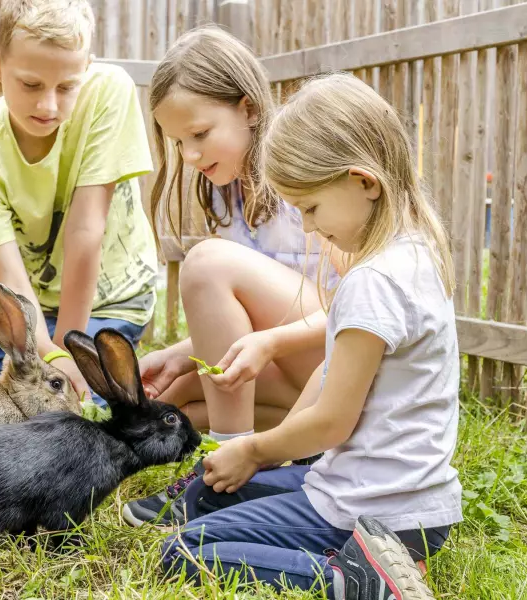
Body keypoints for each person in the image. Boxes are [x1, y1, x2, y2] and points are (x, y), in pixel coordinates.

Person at [160, 72, 462, 600]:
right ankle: (370, 559)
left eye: (311, 208)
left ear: (364, 181)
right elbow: (329, 378)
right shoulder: (412, 253)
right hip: (391, 498)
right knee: (208, 497)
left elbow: (331, 421)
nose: (307, 227)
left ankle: (360, 580)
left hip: (371, 506)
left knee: (183, 549)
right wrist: (267, 456)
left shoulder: (373, 282)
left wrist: (253, 450)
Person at [122, 26, 344, 528]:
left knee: (206, 262)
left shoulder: (302, 169)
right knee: (177, 400)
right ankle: (243, 458)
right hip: (302, 373)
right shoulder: (227, 192)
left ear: (248, 108)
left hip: (344, 366)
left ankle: (225, 480)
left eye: (199, 134)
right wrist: (178, 355)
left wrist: (264, 345)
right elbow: (265, 308)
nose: (192, 155)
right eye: (179, 142)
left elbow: (358, 307)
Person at [0, 0, 158, 405]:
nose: (49, 105)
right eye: (31, 85)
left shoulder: (109, 90)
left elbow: (85, 230)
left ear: (86, 67)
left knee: (81, 411)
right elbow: (8, 274)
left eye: (67, 86)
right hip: (31, 307)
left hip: (112, 300)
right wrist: (48, 352)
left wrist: (66, 350)